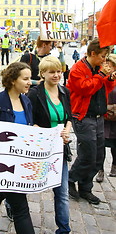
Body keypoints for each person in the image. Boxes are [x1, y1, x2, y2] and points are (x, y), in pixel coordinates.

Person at [0, 62, 35, 234]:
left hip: (20, 160)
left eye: (30, 78)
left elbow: (28, 128)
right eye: (25, 79)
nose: (29, 82)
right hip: (3, 162)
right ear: (12, 80)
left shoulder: (26, 101)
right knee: (20, 207)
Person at [67, 39, 116, 205]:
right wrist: (102, 76)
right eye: (102, 56)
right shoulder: (77, 69)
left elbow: (106, 89)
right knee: (88, 154)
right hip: (83, 116)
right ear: (93, 53)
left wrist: (110, 79)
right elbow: (85, 88)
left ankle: (85, 187)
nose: (105, 59)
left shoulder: (99, 69)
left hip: (98, 117)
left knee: (99, 156)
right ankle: (70, 179)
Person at [27, 56, 72, 234]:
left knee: (62, 193)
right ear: (43, 73)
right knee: (27, 182)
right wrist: (44, 133)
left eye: (58, 72)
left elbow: (69, 116)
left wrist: (67, 130)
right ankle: (10, 203)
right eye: (52, 72)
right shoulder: (34, 93)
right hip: (39, 147)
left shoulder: (64, 92)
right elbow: (29, 121)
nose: (56, 75)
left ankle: (64, 228)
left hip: (59, 148)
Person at [96, 54, 116, 182]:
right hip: (103, 114)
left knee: (115, 144)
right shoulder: (101, 76)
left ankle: (114, 165)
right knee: (100, 144)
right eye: (106, 64)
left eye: (110, 65)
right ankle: (100, 169)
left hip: (115, 116)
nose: (107, 67)